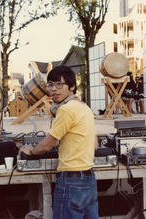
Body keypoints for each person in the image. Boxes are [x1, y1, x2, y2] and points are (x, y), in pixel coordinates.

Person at [20, 66, 99, 219]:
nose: (53, 89)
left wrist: (31, 150)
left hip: (71, 180)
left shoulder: (66, 110)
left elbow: (47, 145)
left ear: (72, 87)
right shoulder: (85, 108)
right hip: (89, 180)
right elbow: (94, 144)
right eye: (50, 84)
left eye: (59, 84)